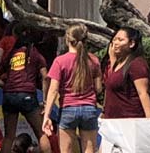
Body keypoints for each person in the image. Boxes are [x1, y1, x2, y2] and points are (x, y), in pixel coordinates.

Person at [44, 23, 107, 153]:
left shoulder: (60, 61)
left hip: (68, 108)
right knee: (89, 149)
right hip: (89, 108)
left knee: (66, 150)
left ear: (67, 39)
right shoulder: (93, 60)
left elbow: (53, 90)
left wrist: (47, 115)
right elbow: (98, 88)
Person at [0, 19, 44, 151]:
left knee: (9, 136)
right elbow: (45, 76)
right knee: (41, 134)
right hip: (27, 94)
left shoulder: (12, 54)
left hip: (9, 96)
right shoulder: (35, 53)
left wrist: (6, 86)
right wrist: (45, 98)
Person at [103, 26, 150, 120]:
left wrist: (149, 121)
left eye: (120, 40)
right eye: (114, 40)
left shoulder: (136, 64)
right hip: (113, 122)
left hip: (130, 121)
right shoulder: (118, 63)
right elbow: (111, 85)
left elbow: (143, 93)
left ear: (131, 43)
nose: (115, 43)